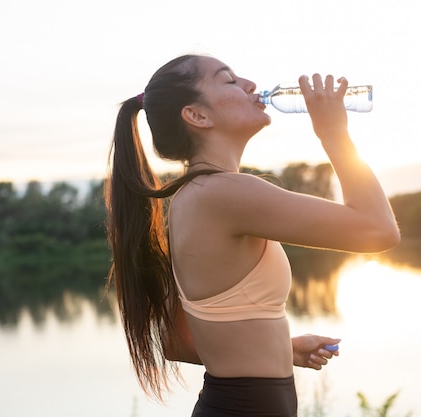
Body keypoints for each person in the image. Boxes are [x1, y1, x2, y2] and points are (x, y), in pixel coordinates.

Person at [105, 54, 400, 417]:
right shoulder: (222, 193)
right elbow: (377, 230)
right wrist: (334, 133)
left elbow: (175, 342)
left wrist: (282, 349)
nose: (248, 85)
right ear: (197, 116)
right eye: (228, 80)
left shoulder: (193, 196)